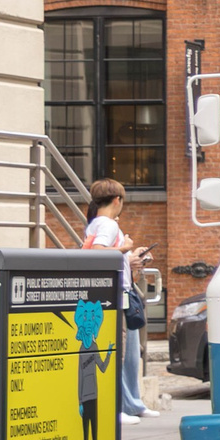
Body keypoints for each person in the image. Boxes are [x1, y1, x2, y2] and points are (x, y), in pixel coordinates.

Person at [81, 180, 154, 423]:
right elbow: (96, 252)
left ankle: (132, 404)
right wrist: (125, 248)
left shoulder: (98, 223)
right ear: (117, 201)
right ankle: (117, 410)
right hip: (114, 296)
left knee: (131, 355)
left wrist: (131, 256)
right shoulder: (108, 224)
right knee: (119, 354)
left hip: (119, 293)